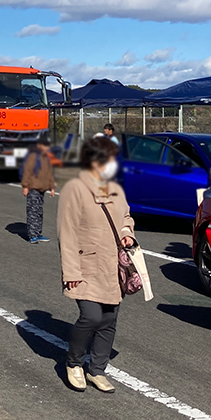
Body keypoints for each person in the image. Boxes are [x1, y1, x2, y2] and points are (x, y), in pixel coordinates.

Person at [57, 135, 135, 393]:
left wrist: (127, 232)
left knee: (109, 318)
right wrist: (71, 271)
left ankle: (97, 370)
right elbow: (66, 232)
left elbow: (125, 216)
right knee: (90, 316)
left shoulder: (114, 187)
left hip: (110, 264)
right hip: (86, 263)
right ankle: (74, 363)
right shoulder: (75, 188)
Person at [21, 135, 56, 243]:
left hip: (42, 188)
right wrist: (25, 186)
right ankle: (32, 235)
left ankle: (38, 232)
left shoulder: (46, 157)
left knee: (39, 211)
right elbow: (27, 171)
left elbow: (49, 173)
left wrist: (52, 187)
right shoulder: (33, 156)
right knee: (33, 211)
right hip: (33, 188)